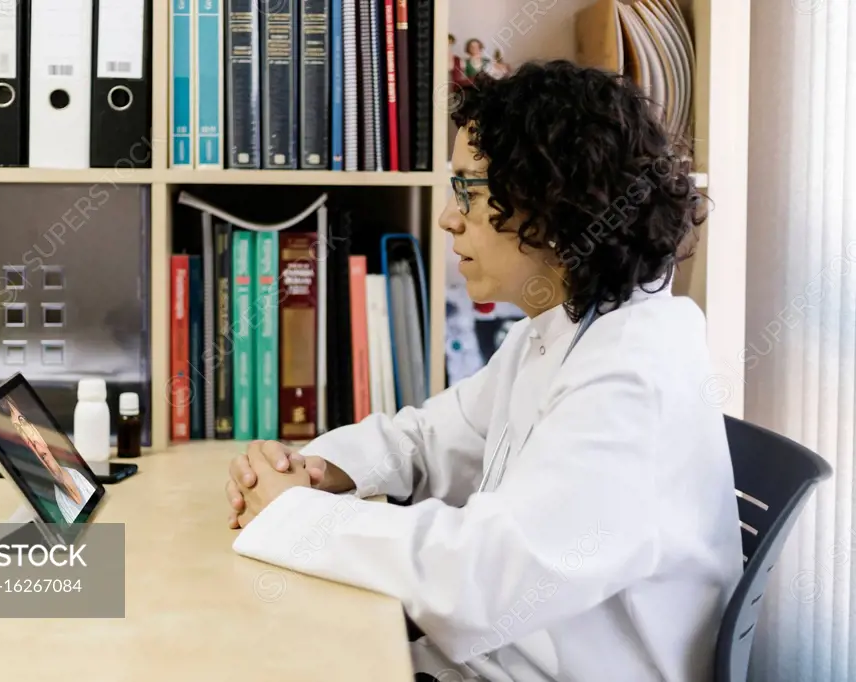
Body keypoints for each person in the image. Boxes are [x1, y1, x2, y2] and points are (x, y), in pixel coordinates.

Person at [224, 61, 743, 682]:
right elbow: (429, 437)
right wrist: (312, 470)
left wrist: (292, 516)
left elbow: (482, 583)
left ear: (553, 200)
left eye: (467, 189)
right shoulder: (558, 328)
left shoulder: (632, 375)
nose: (448, 216)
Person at [5, 397, 95, 524]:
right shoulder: (49, 505)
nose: (32, 440)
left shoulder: (76, 475)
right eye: (19, 433)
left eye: (23, 423)